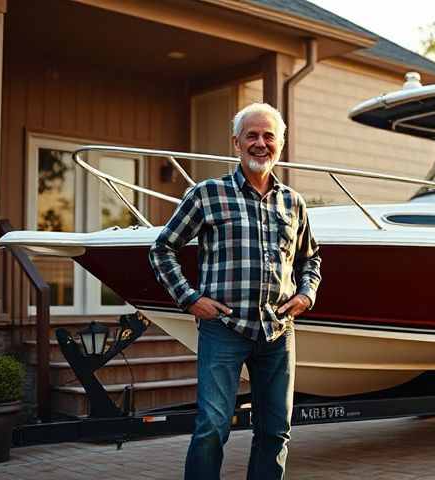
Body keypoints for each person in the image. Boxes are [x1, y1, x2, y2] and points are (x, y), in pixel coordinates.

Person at [149, 102, 322, 479]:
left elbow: (311, 258)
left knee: (275, 431)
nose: (260, 143)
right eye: (252, 136)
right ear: (236, 143)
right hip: (223, 331)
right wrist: (189, 298)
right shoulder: (206, 194)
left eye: (268, 136)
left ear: (281, 144)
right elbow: (162, 248)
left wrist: (306, 293)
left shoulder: (294, 202)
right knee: (212, 428)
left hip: (278, 333)